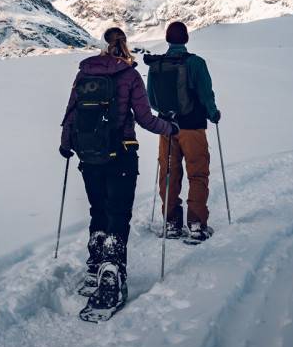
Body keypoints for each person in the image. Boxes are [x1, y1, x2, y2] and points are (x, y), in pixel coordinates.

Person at [60, 27, 178, 305]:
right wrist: (170, 128)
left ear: (103, 45)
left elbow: (71, 113)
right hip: (122, 153)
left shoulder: (84, 73)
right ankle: (112, 269)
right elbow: (146, 119)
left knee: (97, 210)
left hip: (88, 155)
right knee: (118, 213)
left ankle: (94, 265)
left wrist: (66, 144)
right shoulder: (130, 75)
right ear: (125, 45)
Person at [145, 21, 221, 243]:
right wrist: (213, 113)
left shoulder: (157, 64)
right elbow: (206, 93)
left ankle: (171, 222)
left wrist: (167, 114)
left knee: (168, 173)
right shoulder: (196, 63)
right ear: (186, 39)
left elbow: (151, 99)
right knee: (197, 173)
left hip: (167, 128)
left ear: (168, 39)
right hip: (192, 127)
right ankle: (196, 225)